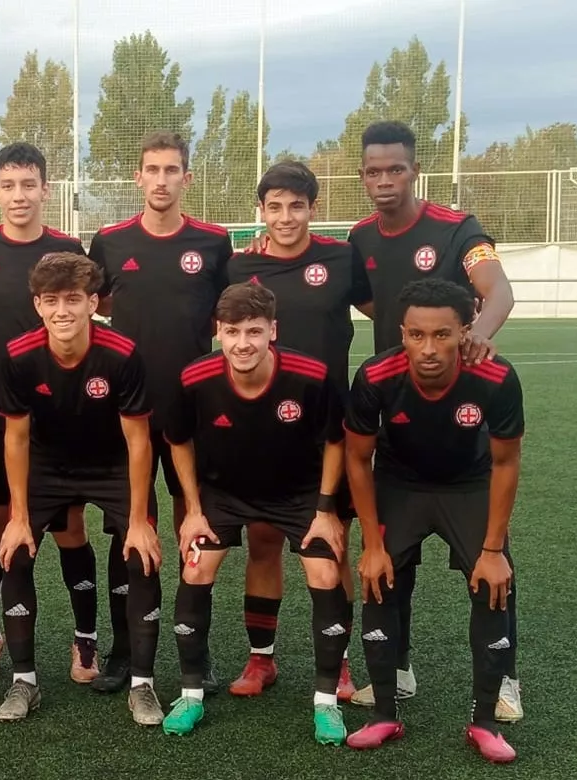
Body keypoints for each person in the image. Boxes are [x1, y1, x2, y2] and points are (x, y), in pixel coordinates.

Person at [345, 121, 521, 722]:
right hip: (397, 415)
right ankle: (396, 668)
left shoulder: (458, 228)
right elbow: (370, 298)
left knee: (494, 563)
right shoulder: (360, 235)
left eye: (396, 169)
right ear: (363, 175)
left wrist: (473, 337)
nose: (384, 180)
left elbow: (498, 291)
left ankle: (504, 680)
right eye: (373, 171)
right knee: (395, 561)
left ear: (414, 170)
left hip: (459, 417)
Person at [160, 283, 352, 745]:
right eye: (231, 332)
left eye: (253, 331)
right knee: (197, 564)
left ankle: (326, 703)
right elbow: (179, 441)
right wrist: (192, 510)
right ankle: (191, 694)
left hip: (298, 493)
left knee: (326, 572)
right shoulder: (194, 378)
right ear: (218, 333)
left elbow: (335, 441)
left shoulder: (311, 375)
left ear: (273, 331)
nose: (242, 343)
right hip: (225, 493)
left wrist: (325, 510)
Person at [343, 279, 523, 764]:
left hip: (469, 487)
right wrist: (372, 545)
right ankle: (383, 713)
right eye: (416, 335)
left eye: (442, 335)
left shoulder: (495, 377)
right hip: (400, 486)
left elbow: (506, 464)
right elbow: (358, 461)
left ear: (466, 331)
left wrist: (492, 550)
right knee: (379, 580)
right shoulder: (376, 376)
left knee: (493, 584)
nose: (428, 349)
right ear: (401, 332)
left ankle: (484, 722)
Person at [0, 142, 99, 683]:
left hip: (59, 413)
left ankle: (85, 640)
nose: (18, 196)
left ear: (45, 190)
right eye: (8, 186)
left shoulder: (68, 247)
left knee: (68, 527)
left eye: (28, 185)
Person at [87, 130, 233, 694]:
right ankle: (125, 653)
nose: (162, 180)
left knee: (193, 530)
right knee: (129, 529)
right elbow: (90, 305)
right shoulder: (110, 241)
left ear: (186, 178)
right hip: (126, 414)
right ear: (138, 177)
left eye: (172, 170)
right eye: (153, 169)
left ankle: (195, 655)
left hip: (194, 413)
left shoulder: (214, 243)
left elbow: (231, 313)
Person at [0, 252, 164, 726]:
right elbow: (16, 437)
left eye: (74, 299)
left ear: (93, 303)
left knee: (141, 554)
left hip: (111, 462)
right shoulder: (18, 355)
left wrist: (137, 521)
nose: (62, 311)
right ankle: (23, 682)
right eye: (52, 301)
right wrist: (19, 518)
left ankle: (143, 686)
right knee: (16, 551)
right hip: (48, 463)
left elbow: (137, 441)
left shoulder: (122, 353)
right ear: (37, 305)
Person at [225, 161, 370, 700]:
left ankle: (342, 662)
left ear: (313, 208)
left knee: (331, 543)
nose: (286, 217)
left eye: (297, 206)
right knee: (263, 543)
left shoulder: (340, 257)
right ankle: (261, 659)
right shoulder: (239, 266)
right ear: (260, 211)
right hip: (262, 428)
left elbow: (389, 306)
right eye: (275, 206)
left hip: (329, 427)